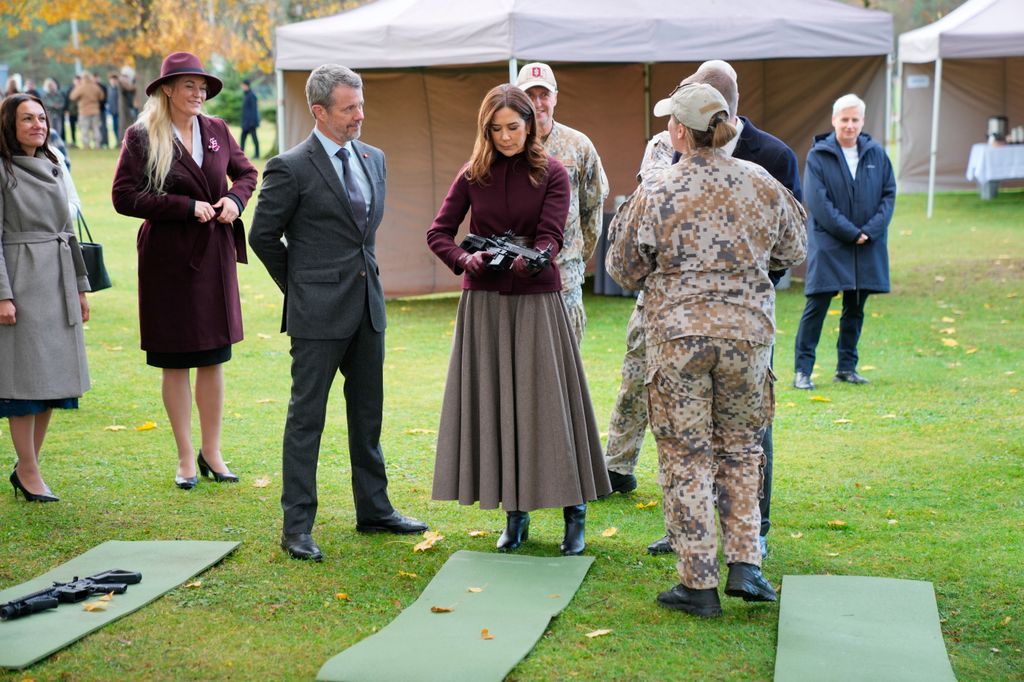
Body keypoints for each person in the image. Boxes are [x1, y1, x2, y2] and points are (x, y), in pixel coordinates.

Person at [606, 83, 806, 617]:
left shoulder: (657, 188)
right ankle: (746, 565)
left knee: (685, 453)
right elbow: (795, 247)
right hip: (747, 337)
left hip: (678, 339)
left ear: (679, 131)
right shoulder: (761, 181)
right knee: (742, 447)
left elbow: (621, 267)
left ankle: (698, 583)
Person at [250, 64, 428, 563]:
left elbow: (363, 236)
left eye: (361, 105)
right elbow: (262, 236)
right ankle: (297, 526)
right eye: (349, 108)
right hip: (317, 314)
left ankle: (375, 511)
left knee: (367, 416)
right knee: (306, 420)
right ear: (319, 112)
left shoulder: (375, 159)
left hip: (368, 308)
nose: (359, 115)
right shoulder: (290, 167)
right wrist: (302, 287)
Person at [427, 83, 610, 556]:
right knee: (499, 406)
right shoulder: (472, 174)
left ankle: (575, 514)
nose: (506, 137)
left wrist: (537, 257)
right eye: (496, 128)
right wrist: (463, 261)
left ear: (530, 124)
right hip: (484, 305)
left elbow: (551, 236)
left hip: (536, 300)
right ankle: (516, 516)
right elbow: (439, 232)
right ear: (485, 130)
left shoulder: (553, 172)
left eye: (513, 126)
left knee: (550, 406)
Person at [111, 52, 257, 491]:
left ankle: (212, 452)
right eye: (189, 86)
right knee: (174, 360)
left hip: (213, 254)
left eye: (202, 87)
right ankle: (184, 458)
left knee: (213, 357)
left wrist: (235, 200)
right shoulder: (141, 136)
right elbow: (123, 196)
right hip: (167, 262)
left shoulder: (216, 130)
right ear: (167, 90)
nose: (198, 94)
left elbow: (247, 173)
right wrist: (183, 206)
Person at [0, 94, 91, 502]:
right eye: (27, 119)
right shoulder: (2, 171)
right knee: (25, 385)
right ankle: (30, 470)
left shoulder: (54, 165)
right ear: (9, 126)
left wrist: (80, 286)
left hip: (57, 280)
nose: (37, 124)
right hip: (21, 280)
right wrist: (3, 295)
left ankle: (26, 467)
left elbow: (67, 232)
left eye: (41, 117)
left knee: (54, 380)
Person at [793, 93, 894, 391]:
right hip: (831, 243)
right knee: (817, 306)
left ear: (862, 122)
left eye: (855, 120)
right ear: (834, 120)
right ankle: (803, 371)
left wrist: (870, 231)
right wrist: (851, 232)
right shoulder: (818, 156)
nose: (849, 125)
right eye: (844, 119)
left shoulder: (877, 154)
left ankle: (846, 368)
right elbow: (818, 202)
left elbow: (889, 194)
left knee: (856, 308)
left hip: (867, 243)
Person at [514, 63, 608, 344]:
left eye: (544, 94)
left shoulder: (578, 145)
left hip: (564, 276)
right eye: (531, 95)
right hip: (517, 273)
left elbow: (593, 210)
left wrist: (576, 257)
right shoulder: (508, 143)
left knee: (566, 363)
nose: (538, 103)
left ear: (555, 97)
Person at [69, 72, 105, 150]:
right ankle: (97, 144)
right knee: (96, 128)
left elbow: (72, 97)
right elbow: (101, 97)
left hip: (84, 112)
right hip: (95, 111)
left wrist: (77, 87)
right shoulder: (96, 86)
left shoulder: (81, 87)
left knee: (84, 129)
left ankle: (86, 145)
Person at [240, 79, 260, 159]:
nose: (242, 87)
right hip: (246, 123)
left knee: (254, 139)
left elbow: (254, 110)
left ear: (246, 85)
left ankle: (257, 155)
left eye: (243, 85)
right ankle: (241, 155)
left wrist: (252, 122)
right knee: (242, 138)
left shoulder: (252, 96)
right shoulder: (246, 95)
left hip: (251, 123)